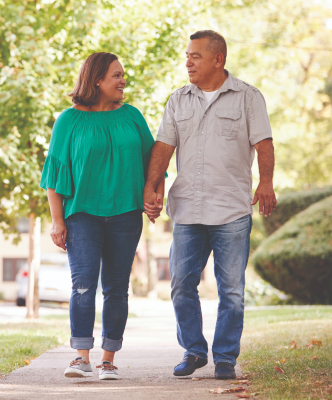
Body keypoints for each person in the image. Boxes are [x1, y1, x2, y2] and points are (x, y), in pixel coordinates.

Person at [143, 30, 276, 380]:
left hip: (231, 210)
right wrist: (152, 187)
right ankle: (193, 350)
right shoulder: (178, 100)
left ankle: (226, 357)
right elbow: (163, 147)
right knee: (181, 284)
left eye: (196, 56)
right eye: (187, 56)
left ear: (218, 59)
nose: (188, 62)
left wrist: (265, 182)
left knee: (231, 290)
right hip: (187, 209)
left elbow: (264, 143)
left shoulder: (248, 97)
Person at [41, 52, 165, 380]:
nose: (123, 81)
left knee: (116, 287)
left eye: (123, 75)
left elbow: (153, 164)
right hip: (82, 215)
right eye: (116, 76)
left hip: (125, 214)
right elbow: (55, 174)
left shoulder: (132, 117)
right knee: (83, 285)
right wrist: (57, 220)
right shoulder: (68, 120)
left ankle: (108, 360)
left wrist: (154, 197)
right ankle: (81, 356)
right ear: (97, 80)